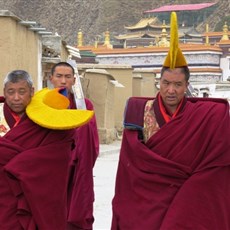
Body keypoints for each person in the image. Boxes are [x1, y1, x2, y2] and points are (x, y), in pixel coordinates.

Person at [111, 12, 230, 230]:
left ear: (187, 86)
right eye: (166, 83)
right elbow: (129, 168)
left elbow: (216, 164)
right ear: (159, 81)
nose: (171, 90)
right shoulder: (142, 112)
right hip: (147, 201)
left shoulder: (203, 117)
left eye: (177, 84)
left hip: (186, 201)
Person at [0, 70, 93, 230]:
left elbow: (57, 156)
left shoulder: (46, 119)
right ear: (4, 93)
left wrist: (22, 164)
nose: (16, 98)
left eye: (22, 92)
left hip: (35, 198)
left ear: (32, 92)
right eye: (11, 92)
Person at [49, 62, 99, 230]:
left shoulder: (84, 106)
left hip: (76, 169)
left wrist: (75, 157)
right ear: (51, 79)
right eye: (59, 76)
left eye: (68, 77)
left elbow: (91, 143)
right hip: (50, 170)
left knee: (73, 214)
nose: (63, 81)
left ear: (74, 80)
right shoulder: (42, 105)